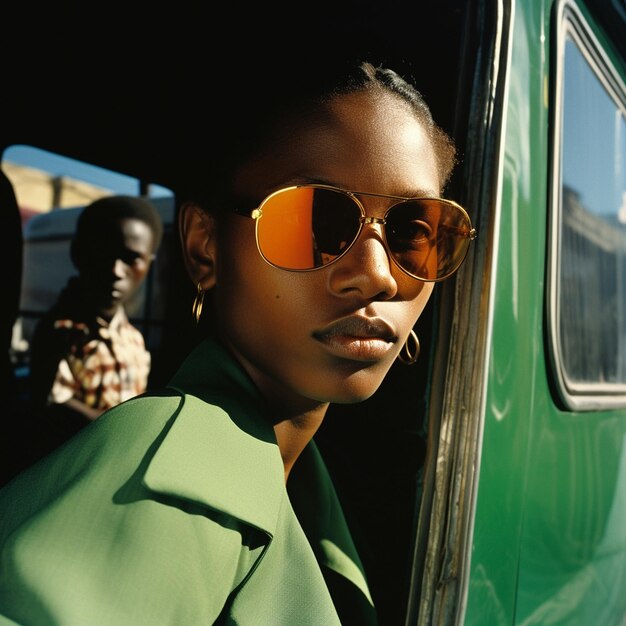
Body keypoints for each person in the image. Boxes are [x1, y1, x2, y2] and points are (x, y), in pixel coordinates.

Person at [0, 56, 476, 625]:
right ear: (206, 246)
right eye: (315, 221)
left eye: (413, 233)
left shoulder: (303, 472)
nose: (378, 274)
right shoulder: (161, 475)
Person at [28, 195, 163, 431]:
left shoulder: (133, 339)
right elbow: (53, 407)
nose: (116, 270)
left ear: (149, 264)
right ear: (78, 253)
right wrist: (124, 430)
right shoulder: (60, 333)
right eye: (103, 252)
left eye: (132, 259)